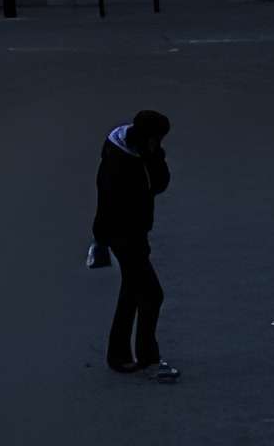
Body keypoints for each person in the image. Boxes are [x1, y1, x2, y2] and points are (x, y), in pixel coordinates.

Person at [90, 108, 177, 381]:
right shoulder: (117, 161)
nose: (159, 142)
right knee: (151, 294)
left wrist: (154, 155)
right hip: (123, 236)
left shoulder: (143, 153)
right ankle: (148, 359)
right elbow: (106, 201)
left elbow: (159, 184)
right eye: (157, 138)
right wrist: (101, 239)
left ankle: (118, 356)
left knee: (132, 291)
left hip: (136, 234)